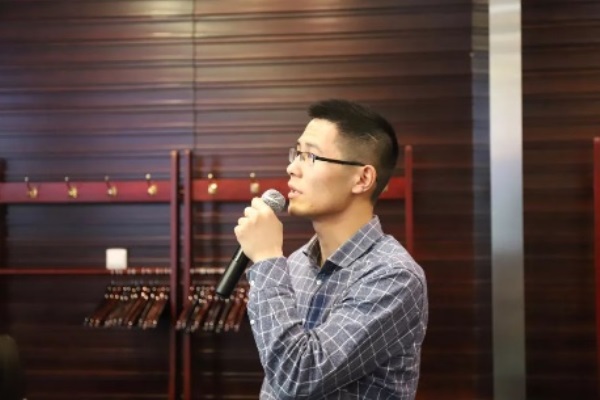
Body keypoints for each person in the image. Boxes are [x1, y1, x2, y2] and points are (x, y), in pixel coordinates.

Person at [235, 99, 428, 399]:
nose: (292, 168)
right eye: (296, 153)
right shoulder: (296, 263)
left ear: (362, 178)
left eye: (310, 156)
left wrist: (266, 258)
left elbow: (297, 376)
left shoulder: (394, 276)